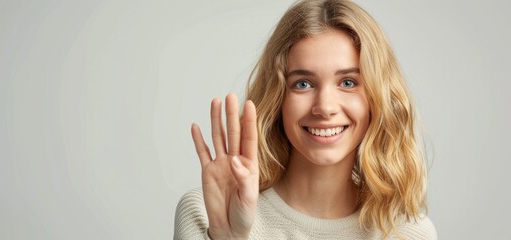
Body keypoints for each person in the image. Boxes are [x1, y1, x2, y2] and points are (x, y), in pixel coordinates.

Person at [174, 0, 437, 239]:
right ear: (278, 98)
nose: (324, 107)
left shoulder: (406, 232)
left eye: (348, 82)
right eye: (303, 83)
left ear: (376, 98)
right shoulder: (207, 213)